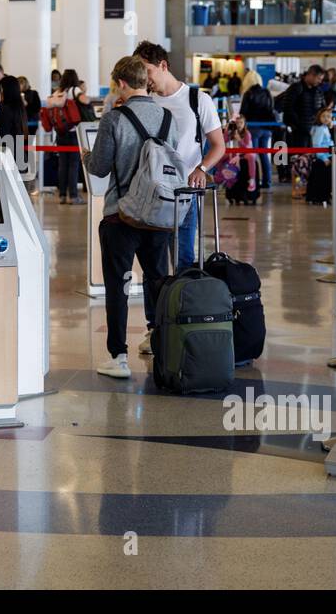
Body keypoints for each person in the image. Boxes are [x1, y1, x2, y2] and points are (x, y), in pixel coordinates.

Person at [83, 55, 177, 379]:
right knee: (157, 280)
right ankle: (159, 339)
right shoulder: (167, 118)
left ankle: (118, 357)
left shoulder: (114, 119)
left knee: (118, 285)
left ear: (121, 82)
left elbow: (99, 167)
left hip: (120, 215)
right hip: (159, 215)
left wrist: (86, 154)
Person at [134, 41, 225, 284]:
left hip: (185, 194)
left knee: (184, 258)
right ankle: (156, 319)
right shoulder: (146, 102)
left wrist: (201, 169)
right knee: (153, 263)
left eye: (148, 71)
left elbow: (219, 145)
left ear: (163, 65)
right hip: (152, 194)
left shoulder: (197, 100)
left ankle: (183, 316)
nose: (145, 78)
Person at [280, 65, 325, 196]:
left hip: (314, 133)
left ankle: (308, 188)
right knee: (298, 162)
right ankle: (297, 189)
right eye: (318, 78)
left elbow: (321, 108)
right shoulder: (295, 88)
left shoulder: (318, 91)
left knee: (311, 161)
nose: (320, 81)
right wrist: (299, 125)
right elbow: (287, 107)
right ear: (310, 75)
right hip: (298, 133)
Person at [50, 69, 91, 204]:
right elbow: (85, 101)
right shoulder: (74, 90)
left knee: (63, 164)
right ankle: (73, 196)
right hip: (73, 132)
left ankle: (62, 195)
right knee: (73, 165)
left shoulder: (58, 92)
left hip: (60, 132)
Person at [240, 79, 276, 189]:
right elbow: (271, 108)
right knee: (264, 155)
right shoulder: (266, 92)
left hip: (253, 128)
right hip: (267, 127)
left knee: (252, 155)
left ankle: (254, 181)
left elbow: (243, 112)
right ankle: (267, 181)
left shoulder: (248, 93)